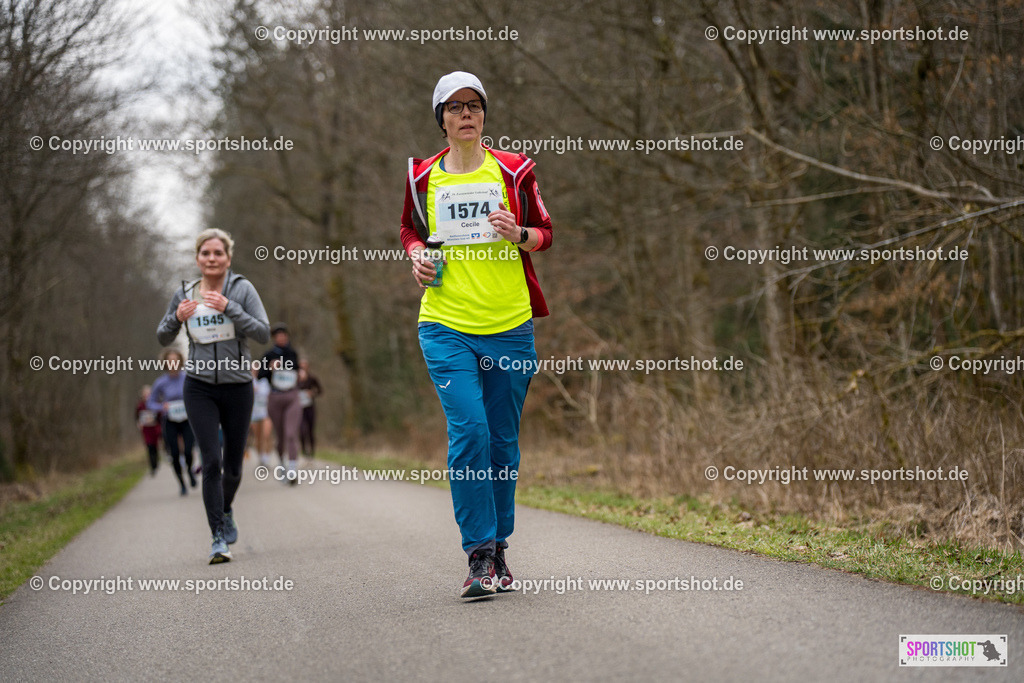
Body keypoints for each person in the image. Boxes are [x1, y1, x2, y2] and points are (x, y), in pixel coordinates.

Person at [400, 71, 553, 598]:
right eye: (454, 107)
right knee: (471, 433)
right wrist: (418, 256)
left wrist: (521, 235)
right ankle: (479, 553)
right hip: (445, 325)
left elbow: (545, 234)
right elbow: (409, 231)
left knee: (503, 443)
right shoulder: (422, 177)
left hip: (509, 326)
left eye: (475, 106)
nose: (466, 114)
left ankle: (500, 547)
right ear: (441, 118)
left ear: (484, 116)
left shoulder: (514, 170)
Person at [157, 228, 270, 564]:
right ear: (197, 259)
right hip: (199, 386)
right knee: (211, 462)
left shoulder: (242, 289)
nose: (211, 258)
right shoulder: (185, 293)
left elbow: (262, 332)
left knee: (233, 468)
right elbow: (163, 337)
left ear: (228, 258)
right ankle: (217, 537)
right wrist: (176, 318)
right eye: (205, 253)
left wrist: (230, 308)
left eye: (218, 253)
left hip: (237, 386)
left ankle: (226, 507)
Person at [146, 348, 196, 495]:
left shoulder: (187, 377)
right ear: (166, 363)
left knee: (188, 450)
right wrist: (162, 407)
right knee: (174, 453)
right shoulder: (161, 382)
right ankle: (181, 483)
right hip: (170, 421)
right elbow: (150, 403)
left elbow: (196, 395)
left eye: (175, 360)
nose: (173, 363)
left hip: (187, 419)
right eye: (170, 361)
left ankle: (190, 470)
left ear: (180, 361)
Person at [259, 323, 302, 484]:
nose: (282, 337)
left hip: (292, 396)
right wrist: (270, 368)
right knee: (281, 435)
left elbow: (298, 370)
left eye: (284, 334)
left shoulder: (293, 353)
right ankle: (283, 464)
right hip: (275, 397)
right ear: (274, 338)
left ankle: (292, 470)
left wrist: (302, 373)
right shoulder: (269, 355)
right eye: (278, 335)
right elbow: (259, 375)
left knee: (291, 433)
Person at [297, 359, 323, 460]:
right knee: (302, 429)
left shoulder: (312, 379)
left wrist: (312, 393)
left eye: (305, 367)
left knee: (311, 430)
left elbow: (320, 391)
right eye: (301, 367)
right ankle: (304, 450)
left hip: (310, 407)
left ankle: (312, 451)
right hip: (299, 409)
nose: (303, 369)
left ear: (308, 368)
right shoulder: (295, 379)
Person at [249, 363, 273, 466]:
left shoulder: (265, 382)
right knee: (258, 437)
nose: (255, 370)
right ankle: (261, 457)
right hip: (254, 413)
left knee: (266, 435)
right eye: (253, 369)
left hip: (266, 412)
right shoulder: (248, 382)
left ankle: (266, 458)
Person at [136, 385, 161, 476]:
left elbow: (160, 415)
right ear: (142, 395)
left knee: (155, 446)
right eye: (145, 394)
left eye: (149, 394)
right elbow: (137, 416)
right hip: (146, 430)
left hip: (155, 428)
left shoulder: (155, 403)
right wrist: (139, 423)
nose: (147, 396)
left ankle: (157, 462)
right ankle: (153, 467)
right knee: (149, 447)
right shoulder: (140, 406)